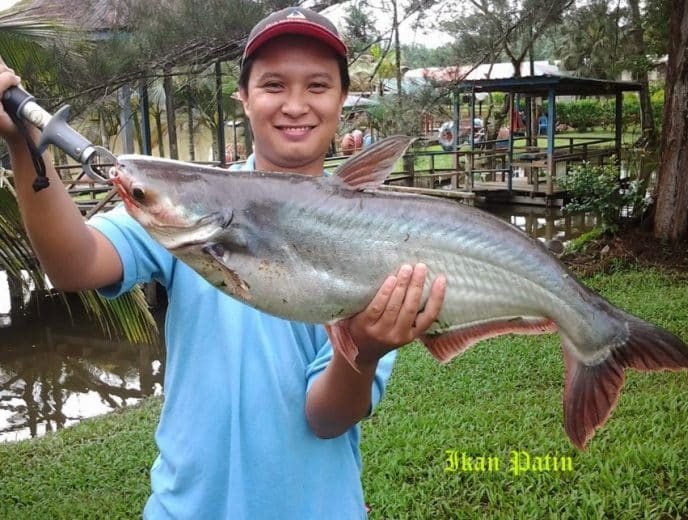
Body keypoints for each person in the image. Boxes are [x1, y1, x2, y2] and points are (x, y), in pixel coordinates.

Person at [0, 7, 446, 519]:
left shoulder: (381, 240)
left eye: (318, 86)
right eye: (274, 84)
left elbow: (325, 419)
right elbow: (74, 266)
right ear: (245, 97)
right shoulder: (193, 205)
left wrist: (363, 351)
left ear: (342, 98)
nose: (295, 105)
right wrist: (25, 144)